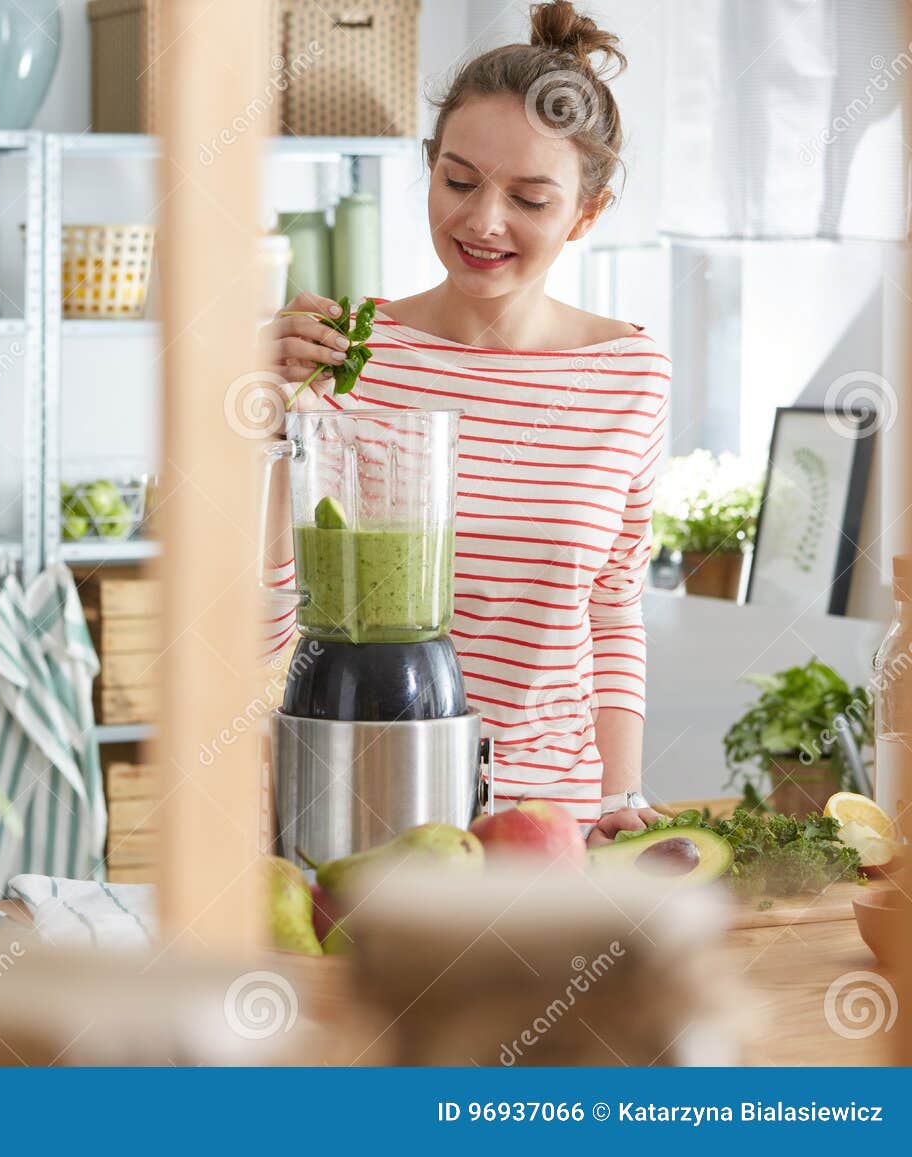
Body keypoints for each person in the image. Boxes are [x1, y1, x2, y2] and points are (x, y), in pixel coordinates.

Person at [262, 1, 666, 845]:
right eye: (458, 180)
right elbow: (277, 623)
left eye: (529, 198)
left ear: (586, 215)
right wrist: (264, 427)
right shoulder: (346, 354)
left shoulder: (631, 373)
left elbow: (614, 605)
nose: (483, 221)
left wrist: (620, 794)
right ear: (429, 166)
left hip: (552, 823)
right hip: (364, 807)